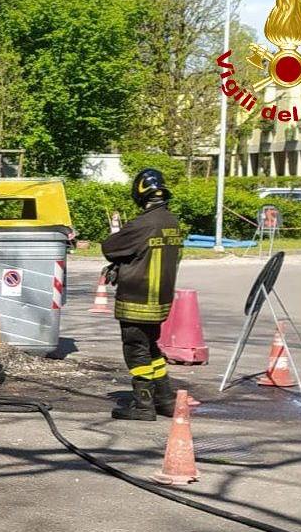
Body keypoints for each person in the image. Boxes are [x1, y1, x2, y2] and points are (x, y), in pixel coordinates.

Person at [101, 168, 183, 421]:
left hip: (136, 299)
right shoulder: (172, 222)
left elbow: (110, 248)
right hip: (160, 301)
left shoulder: (141, 224)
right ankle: (166, 399)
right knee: (151, 347)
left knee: (136, 350)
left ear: (139, 194)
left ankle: (143, 405)